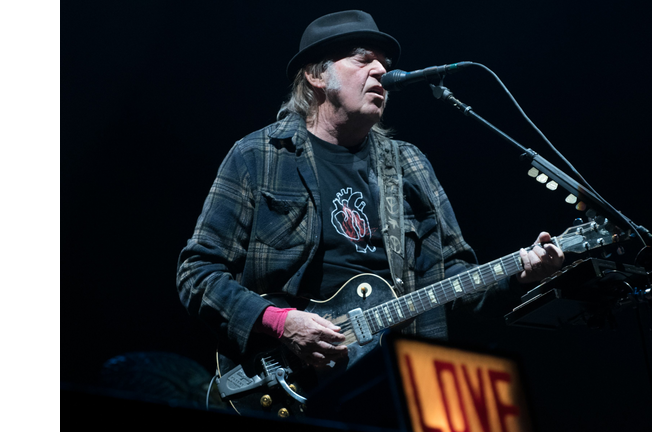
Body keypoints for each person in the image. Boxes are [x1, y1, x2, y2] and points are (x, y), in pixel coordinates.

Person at [176, 10, 563, 374]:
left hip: (399, 377)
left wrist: (519, 275)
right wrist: (281, 323)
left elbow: (457, 284)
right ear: (316, 74)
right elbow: (198, 273)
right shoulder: (258, 156)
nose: (381, 71)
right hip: (285, 379)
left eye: (384, 64)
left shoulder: (409, 166)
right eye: (363, 60)